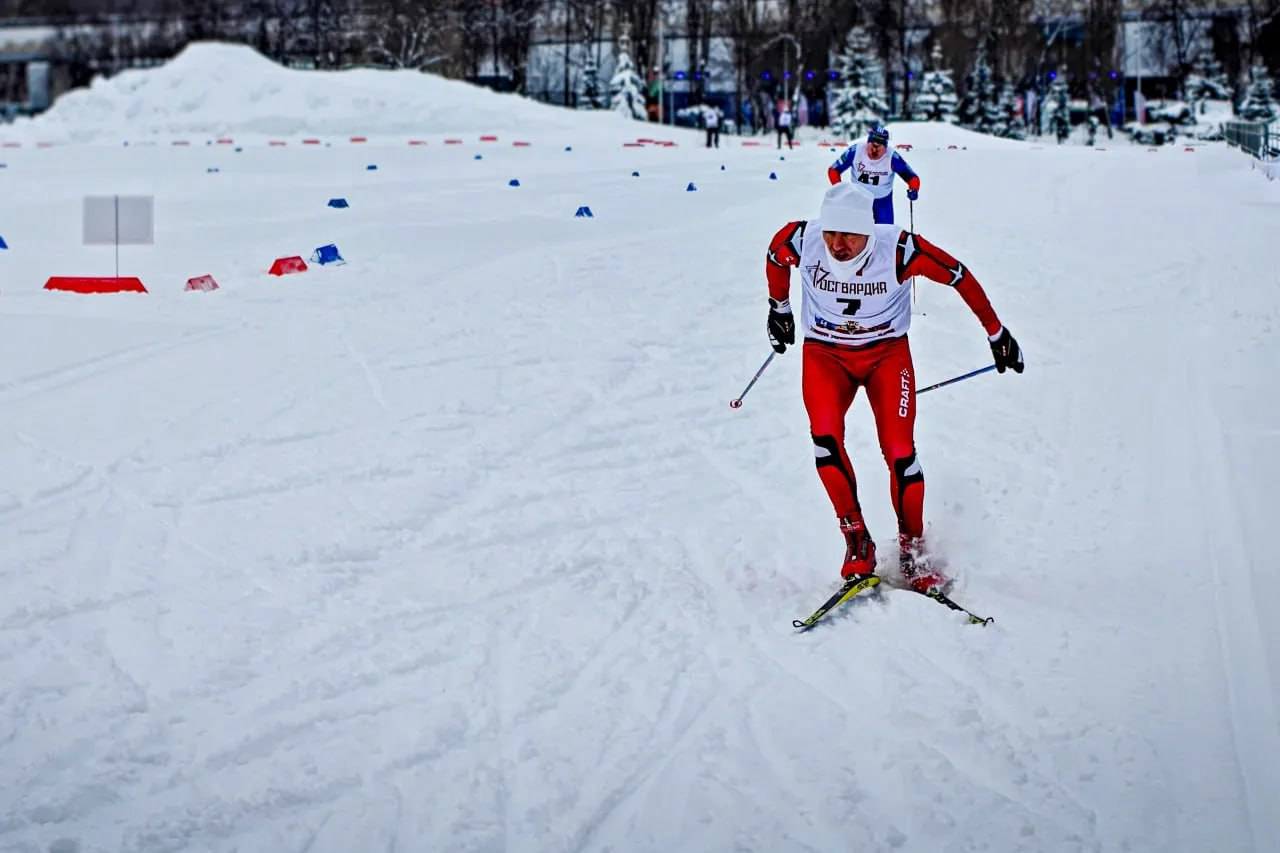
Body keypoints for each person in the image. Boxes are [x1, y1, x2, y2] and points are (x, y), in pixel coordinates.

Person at [762, 183, 1024, 592]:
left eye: (849, 234)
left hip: (886, 356)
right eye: (831, 232)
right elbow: (775, 255)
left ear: (870, 229)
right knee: (825, 442)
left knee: (901, 454)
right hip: (825, 357)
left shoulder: (899, 249)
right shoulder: (802, 238)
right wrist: (778, 307)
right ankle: (857, 541)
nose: (837, 245)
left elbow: (959, 275)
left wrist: (996, 332)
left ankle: (912, 551)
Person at [827, 125, 919, 225]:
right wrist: (839, 188)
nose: (874, 151)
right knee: (857, 231)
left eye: (878, 148)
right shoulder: (855, 151)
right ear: (867, 143)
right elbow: (833, 170)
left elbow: (912, 177)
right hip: (859, 199)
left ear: (885, 147)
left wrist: (914, 189)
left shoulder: (893, 157)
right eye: (872, 147)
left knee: (885, 232)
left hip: (883, 201)